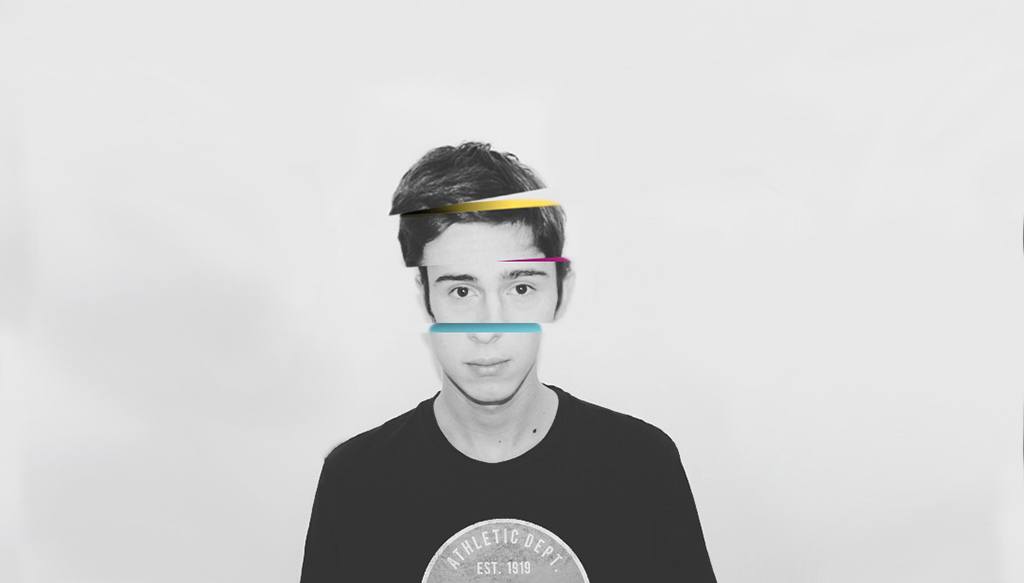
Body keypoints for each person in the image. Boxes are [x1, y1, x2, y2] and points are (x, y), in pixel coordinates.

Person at [300, 142, 717, 582]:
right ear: (425, 296)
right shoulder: (355, 481)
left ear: (559, 291)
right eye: (462, 291)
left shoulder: (641, 467)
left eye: (519, 288)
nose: (488, 328)